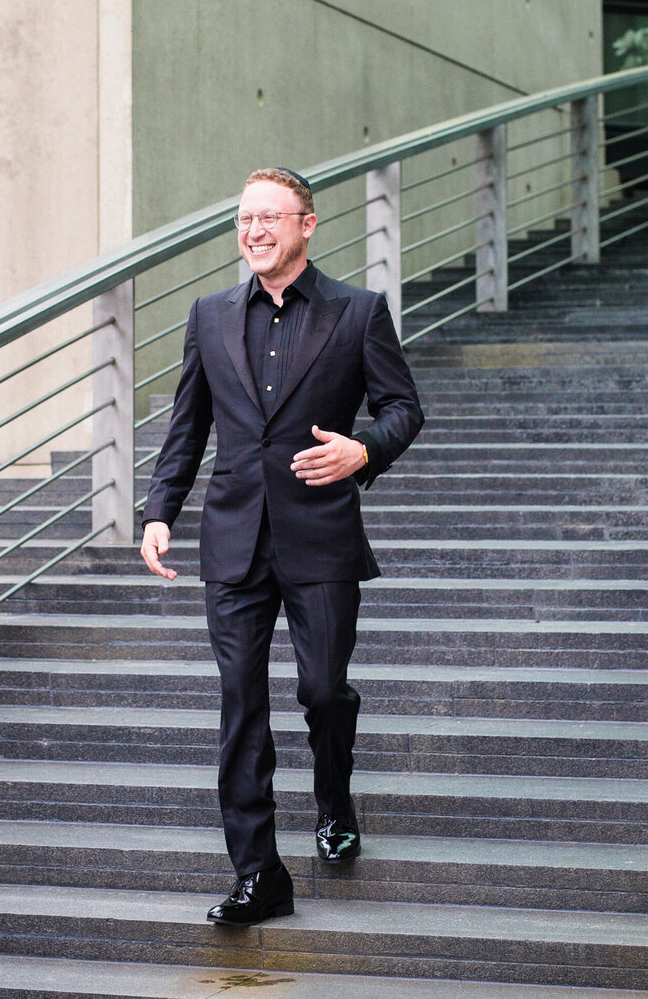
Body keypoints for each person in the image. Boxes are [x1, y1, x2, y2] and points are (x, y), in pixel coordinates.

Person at [139, 167, 423, 926]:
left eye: (269, 216)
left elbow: (403, 407)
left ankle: (334, 797)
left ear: (307, 224)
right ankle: (259, 872)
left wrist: (363, 451)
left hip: (321, 536)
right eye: (244, 219)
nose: (254, 230)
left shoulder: (358, 312)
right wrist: (160, 508)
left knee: (324, 691)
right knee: (241, 706)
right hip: (232, 541)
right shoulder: (207, 315)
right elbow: (186, 428)